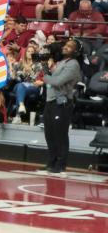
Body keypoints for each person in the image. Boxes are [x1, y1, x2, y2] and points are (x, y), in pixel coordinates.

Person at [38, 39, 83, 176]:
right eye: (66, 45)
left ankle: (61, 164)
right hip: (50, 101)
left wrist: (45, 77)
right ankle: (51, 162)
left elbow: (57, 81)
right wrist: (44, 66)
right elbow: (52, 80)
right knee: (49, 134)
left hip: (62, 103)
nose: (65, 47)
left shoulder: (73, 64)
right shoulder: (61, 62)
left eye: (70, 47)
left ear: (75, 52)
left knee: (60, 135)